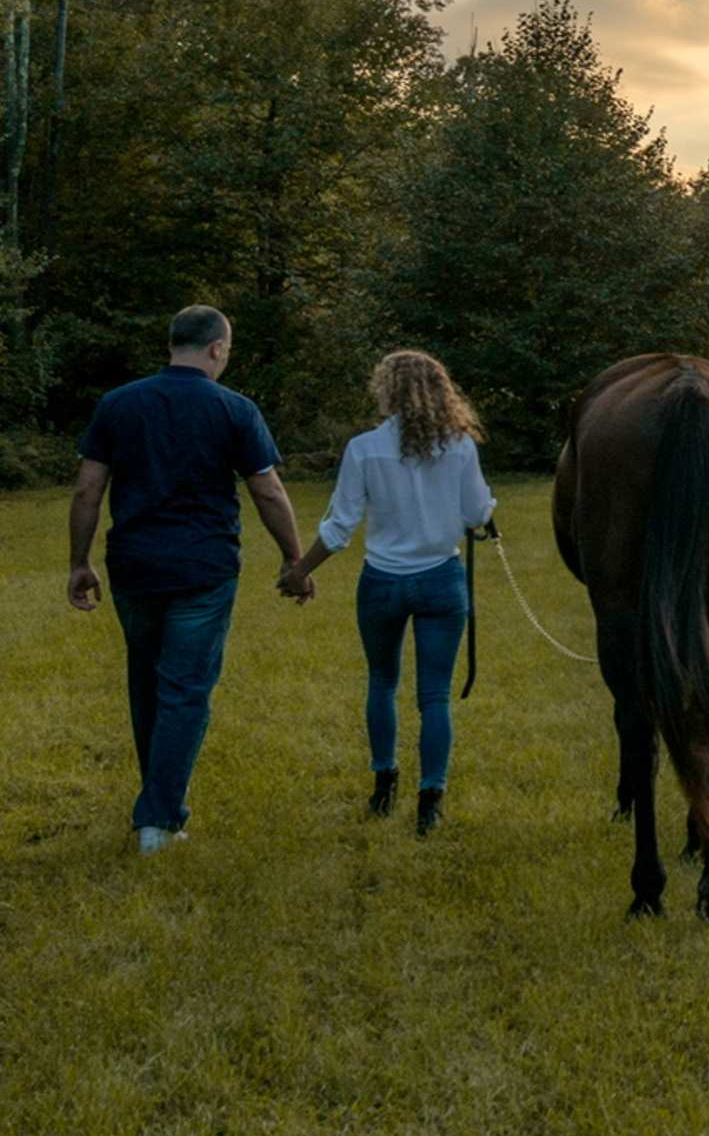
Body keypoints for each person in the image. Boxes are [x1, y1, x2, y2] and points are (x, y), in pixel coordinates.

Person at [67, 305, 309, 853]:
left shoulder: (118, 404)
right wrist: (294, 558)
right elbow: (267, 490)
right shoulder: (235, 409)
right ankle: (158, 819)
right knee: (187, 691)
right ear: (217, 348)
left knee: (148, 685)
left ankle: (159, 804)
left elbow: (88, 490)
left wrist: (80, 562)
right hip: (204, 568)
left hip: (134, 565)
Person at [279, 349, 495, 835]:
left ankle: (384, 782)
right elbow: (478, 514)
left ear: (387, 391)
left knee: (382, 683)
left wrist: (300, 571)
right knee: (434, 696)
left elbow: (340, 527)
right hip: (441, 580)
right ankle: (430, 798)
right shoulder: (460, 447)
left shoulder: (364, 448)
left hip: (383, 581)